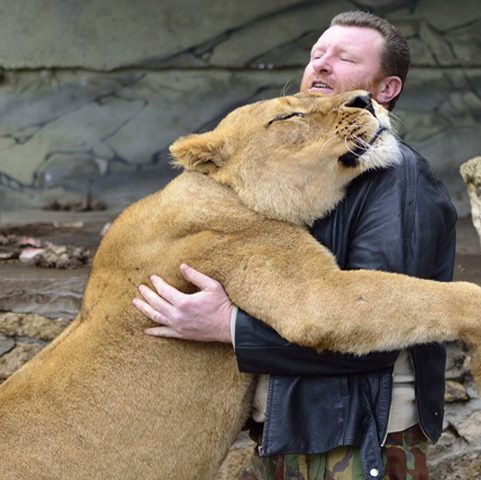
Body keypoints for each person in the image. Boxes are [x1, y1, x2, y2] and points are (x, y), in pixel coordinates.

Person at [132, 11, 456, 480]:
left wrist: (230, 327)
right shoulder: (305, 169)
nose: (322, 65)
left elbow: (378, 327)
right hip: (286, 428)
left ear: (386, 90)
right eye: (317, 54)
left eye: (345, 58)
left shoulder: (398, 175)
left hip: (356, 437)